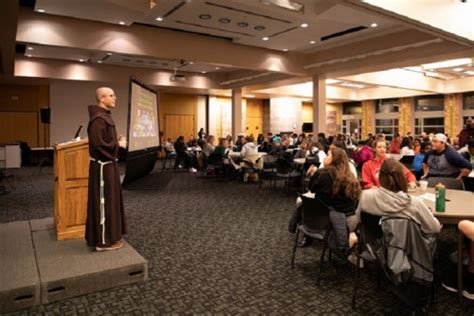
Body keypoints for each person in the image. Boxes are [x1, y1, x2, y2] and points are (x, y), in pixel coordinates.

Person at [86, 87, 126, 251]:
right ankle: (103, 242)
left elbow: (103, 140)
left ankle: (110, 236)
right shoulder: (98, 119)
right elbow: (98, 144)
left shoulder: (104, 117)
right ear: (102, 99)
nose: (115, 98)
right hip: (103, 168)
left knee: (110, 202)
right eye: (111, 95)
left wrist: (116, 141)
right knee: (105, 203)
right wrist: (119, 145)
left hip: (109, 167)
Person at [357, 159, 441, 234]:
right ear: (402, 178)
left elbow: (356, 222)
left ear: (380, 177)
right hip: (408, 248)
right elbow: (435, 228)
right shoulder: (415, 203)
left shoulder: (364, 196)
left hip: (373, 247)